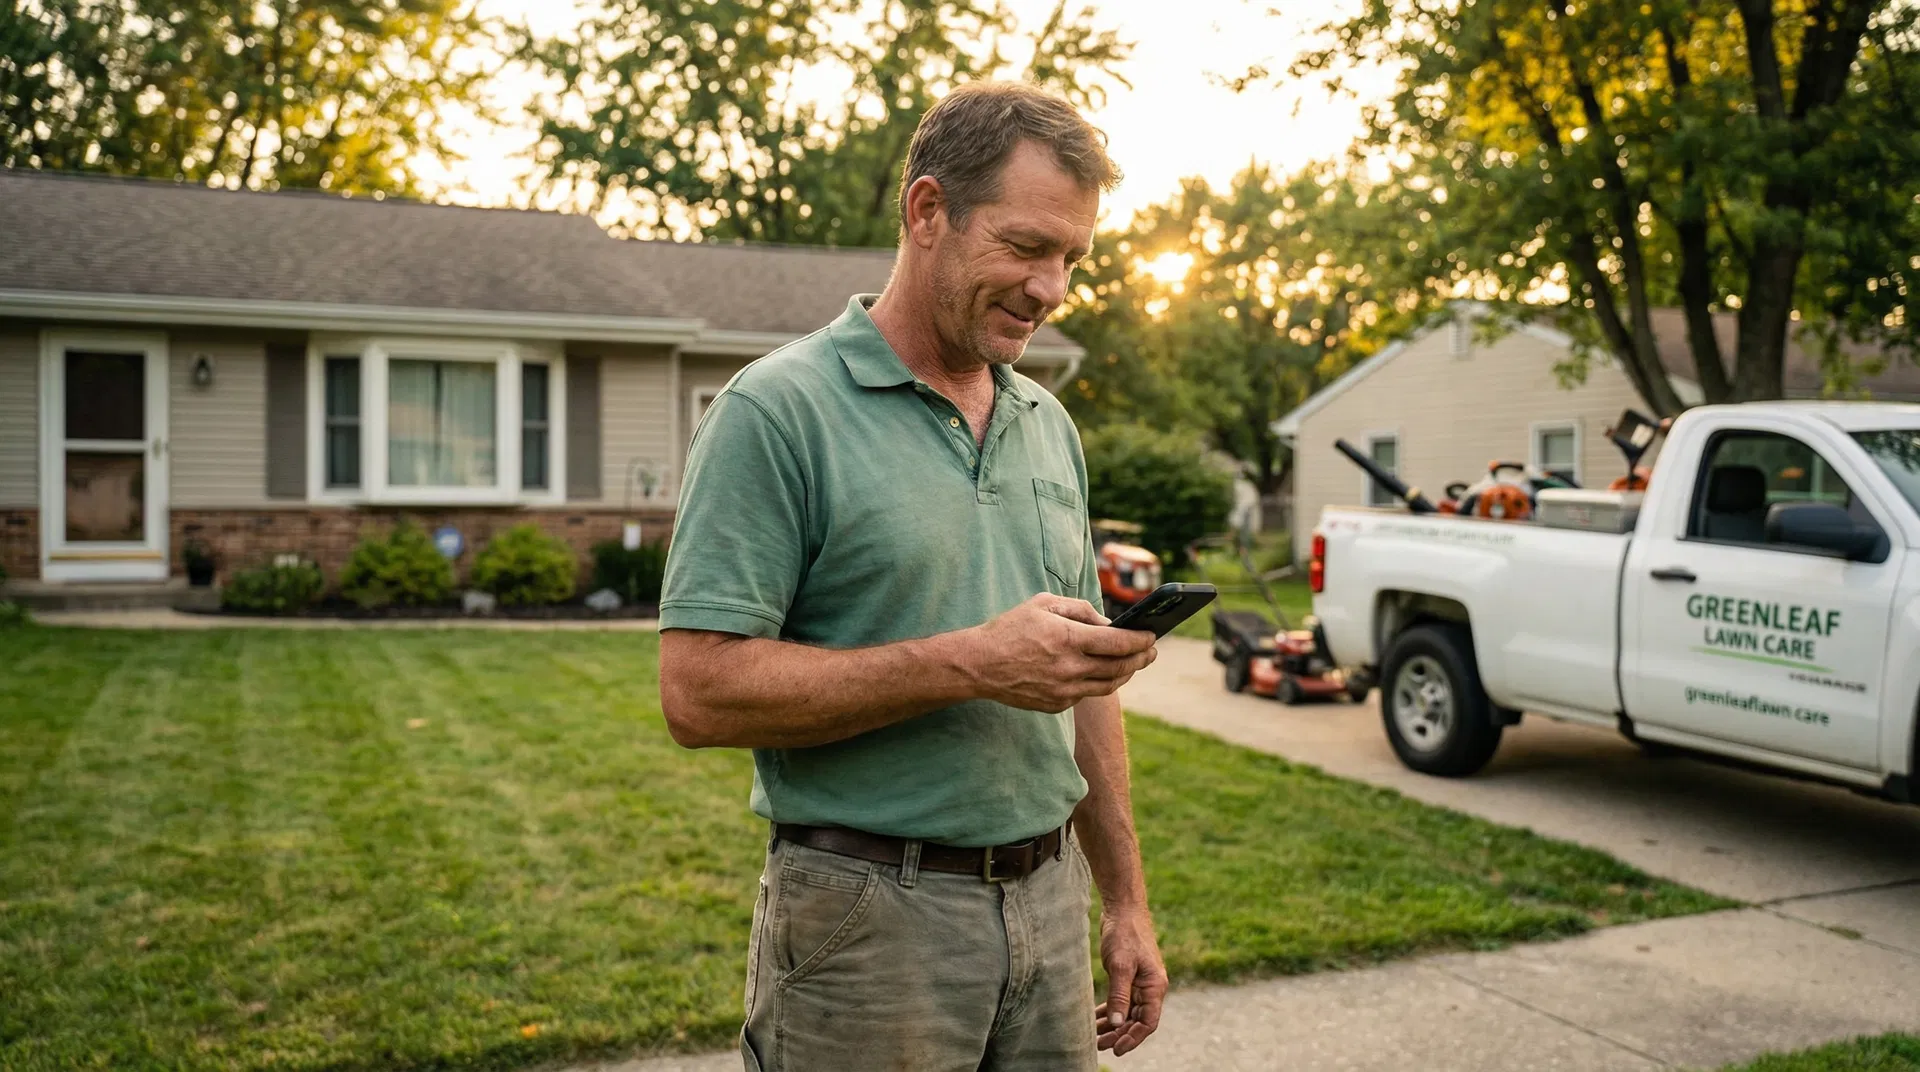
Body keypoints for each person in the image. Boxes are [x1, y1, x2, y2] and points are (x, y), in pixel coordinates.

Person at [658, 80, 1166, 1072]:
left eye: (1071, 258)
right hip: (867, 922)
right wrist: (969, 663)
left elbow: (1084, 688)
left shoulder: (1047, 424)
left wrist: (1126, 901)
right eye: (1025, 247)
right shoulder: (777, 411)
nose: (1051, 288)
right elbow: (696, 692)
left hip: (1050, 905)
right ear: (928, 211)